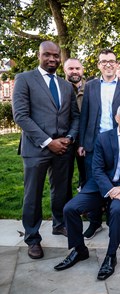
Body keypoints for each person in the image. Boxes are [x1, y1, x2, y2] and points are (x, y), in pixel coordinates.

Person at [54, 103, 120, 280]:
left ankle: (110, 256)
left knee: (117, 210)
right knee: (70, 209)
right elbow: (97, 168)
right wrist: (111, 190)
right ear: (116, 119)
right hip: (100, 185)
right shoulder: (103, 138)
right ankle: (79, 250)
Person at [13, 40, 80, 259]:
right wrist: (47, 141)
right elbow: (21, 116)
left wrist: (69, 138)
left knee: (61, 191)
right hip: (35, 149)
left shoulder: (65, 85)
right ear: (39, 55)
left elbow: (75, 117)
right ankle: (32, 237)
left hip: (63, 149)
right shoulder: (24, 79)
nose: (52, 59)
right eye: (47, 55)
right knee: (32, 195)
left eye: (56, 56)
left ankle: (59, 224)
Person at [78, 48, 120, 239]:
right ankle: (94, 222)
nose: (108, 64)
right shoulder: (91, 86)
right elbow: (84, 114)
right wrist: (81, 142)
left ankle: (114, 220)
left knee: (116, 179)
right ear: (98, 65)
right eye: (104, 61)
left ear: (117, 64)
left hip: (119, 143)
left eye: (111, 60)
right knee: (94, 183)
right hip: (94, 143)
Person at [64, 58, 87, 190]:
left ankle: (86, 207)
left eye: (77, 69)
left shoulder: (90, 87)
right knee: (64, 176)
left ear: (82, 70)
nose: (74, 72)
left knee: (86, 174)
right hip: (65, 137)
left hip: (84, 137)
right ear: (65, 70)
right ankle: (66, 208)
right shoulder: (60, 87)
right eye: (71, 69)